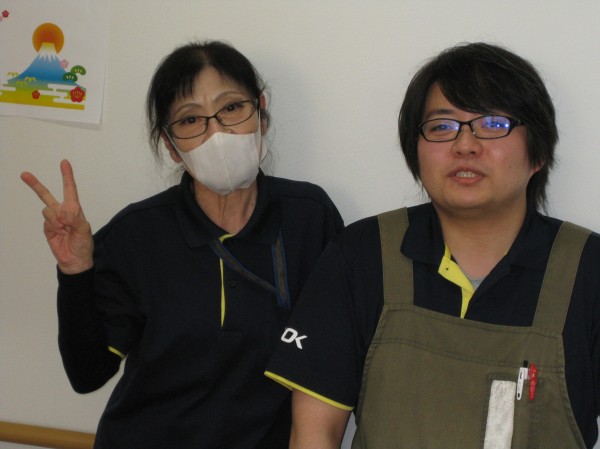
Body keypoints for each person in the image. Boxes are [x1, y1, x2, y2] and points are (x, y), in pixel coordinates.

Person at [265, 42, 600, 448]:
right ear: (415, 150)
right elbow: (315, 432)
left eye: (493, 123)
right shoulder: (362, 255)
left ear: (539, 152)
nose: (465, 145)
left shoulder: (588, 271)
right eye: (442, 126)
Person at [21, 40, 343, 449]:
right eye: (191, 120)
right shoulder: (137, 234)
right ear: (171, 145)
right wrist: (75, 272)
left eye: (231, 108)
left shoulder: (309, 216)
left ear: (261, 113)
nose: (217, 133)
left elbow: (333, 356)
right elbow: (87, 374)